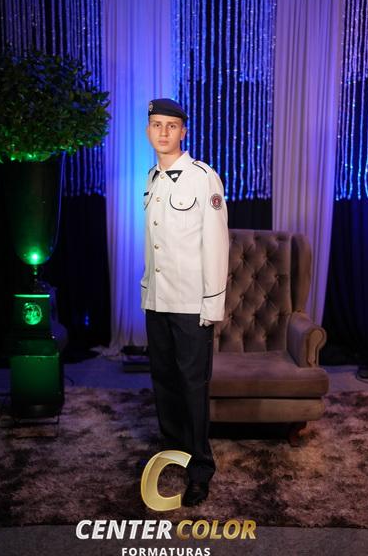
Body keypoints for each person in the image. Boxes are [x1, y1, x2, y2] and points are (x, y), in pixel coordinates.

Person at [141, 98, 229, 507]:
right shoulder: (152, 177)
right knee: (164, 382)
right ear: (148, 130)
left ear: (183, 132)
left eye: (171, 125)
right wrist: (147, 291)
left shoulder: (202, 178)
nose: (163, 132)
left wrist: (212, 305)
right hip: (158, 301)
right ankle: (173, 455)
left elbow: (216, 245)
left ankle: (200, 470)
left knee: (193, 387)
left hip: (192, 303)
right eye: (156, 124)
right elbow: (154, 244)